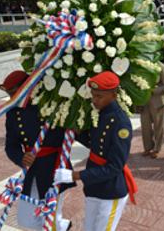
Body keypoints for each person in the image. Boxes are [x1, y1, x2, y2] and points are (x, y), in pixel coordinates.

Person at [54, 71, 136, 231]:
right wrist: (77, 132)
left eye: (99, 96)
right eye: (93, 95)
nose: (94, 100)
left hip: (110, 189)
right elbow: (97, 144)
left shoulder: (121, 124)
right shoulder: (101, 113)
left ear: (113, 95)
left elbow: (114, 167)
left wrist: (75, 175)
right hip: (94, 186)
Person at [2, 70, 73, 231]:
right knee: (25, 219)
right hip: (31, 170)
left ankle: (59, 225)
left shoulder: (50, 104)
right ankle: (63, 226)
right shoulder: (13, 113)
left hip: (53, 168)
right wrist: (21, 157)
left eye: (13, 92)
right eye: (8, 93)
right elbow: (11, 145)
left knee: (49, 221)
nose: (11, 97)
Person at [140, 62, 164, 159]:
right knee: (145, 126)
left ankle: (157, 148)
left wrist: (153, 90)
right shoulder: (141, 64)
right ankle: (147, 148)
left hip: (157, 100)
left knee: (158, 126)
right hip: (143, 100)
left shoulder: (161, 66)